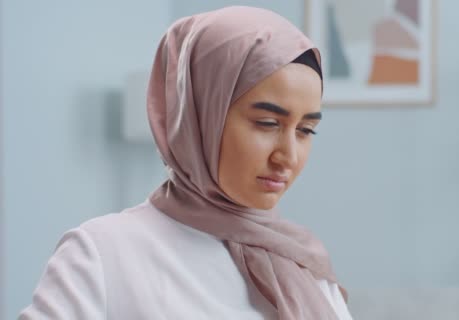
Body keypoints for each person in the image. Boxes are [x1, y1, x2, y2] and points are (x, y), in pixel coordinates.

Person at [19, 6, 352, 320]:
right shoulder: (101, 254)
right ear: (200, 115)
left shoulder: (302, 260)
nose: (288, 157)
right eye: (267, 123)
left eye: (306, 130)